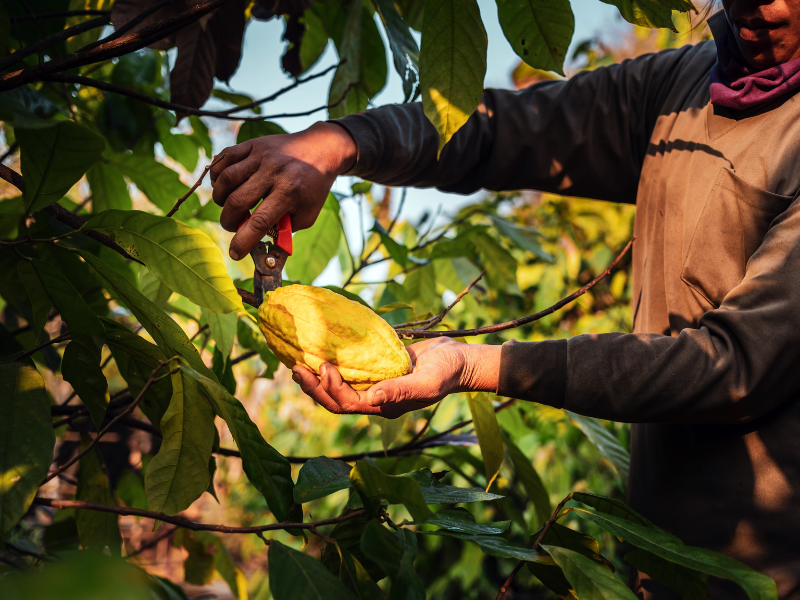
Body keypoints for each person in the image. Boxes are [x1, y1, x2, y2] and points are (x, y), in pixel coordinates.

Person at [211, 1, 800, 597]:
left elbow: (734, 363)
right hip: (657, 562)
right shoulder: (684, 86)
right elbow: (502, 129)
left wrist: (477, 365)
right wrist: (340, 141)